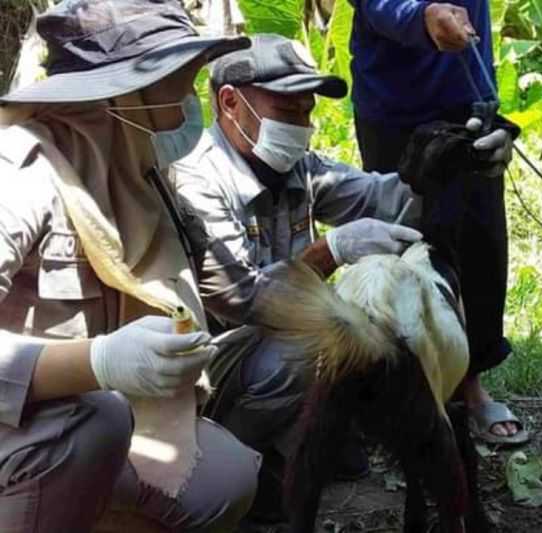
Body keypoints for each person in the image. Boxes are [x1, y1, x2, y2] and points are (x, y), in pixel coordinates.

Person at [172, 33, 513, 523]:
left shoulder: (296, 167)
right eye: (289, 111)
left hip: (277, 345)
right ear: (230, 102)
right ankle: (226, 450)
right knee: (333, 344)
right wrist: (329, 250)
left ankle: (276, 452)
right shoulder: (199, 181)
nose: (303, 125)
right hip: (216, 364)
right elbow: (237, 297)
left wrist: (458, 161)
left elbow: (382, 196)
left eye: (307, 112)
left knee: (348, 438)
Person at [0, 1, 261, 531]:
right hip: (28, 425)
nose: (191, 105)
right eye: (179, 86)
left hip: (90, 423)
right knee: (91, 424)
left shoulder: (142, 178)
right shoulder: (22, 173)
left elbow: (230, 286)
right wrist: (96, 362)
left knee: (221, 475)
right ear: (121, 93)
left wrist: (336, 253)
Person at [349, 0, 529, 446]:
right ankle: (402, 386)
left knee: (480, 243)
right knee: (404, 246)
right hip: (395, 106)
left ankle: (469, 385)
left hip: (466, 91)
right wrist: (419, 16)